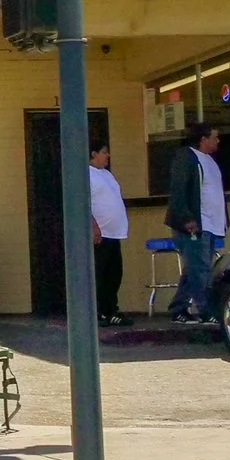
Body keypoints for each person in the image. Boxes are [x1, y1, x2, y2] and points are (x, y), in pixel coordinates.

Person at [164, 122, 226, 323]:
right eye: (214, 137)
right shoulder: (187, 158)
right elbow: (178, 191)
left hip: (211, 224)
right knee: (201, 269)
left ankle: (178, 308)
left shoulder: (210, 161)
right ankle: (206, 310)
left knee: (194, 268)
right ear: (203, 139)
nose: (218, 141)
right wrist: (186, 218)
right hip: (195, 225)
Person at [89, 140, 131, 327]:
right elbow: (83, 203)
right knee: (99, 273)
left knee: (114, 274)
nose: (108, 156)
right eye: (104, 152)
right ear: (93, 154)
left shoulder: (106, 174)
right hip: (100, 234)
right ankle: (97, 311)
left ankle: (111, 309)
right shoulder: (86, 174)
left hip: (114, 233)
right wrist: (93, 226)